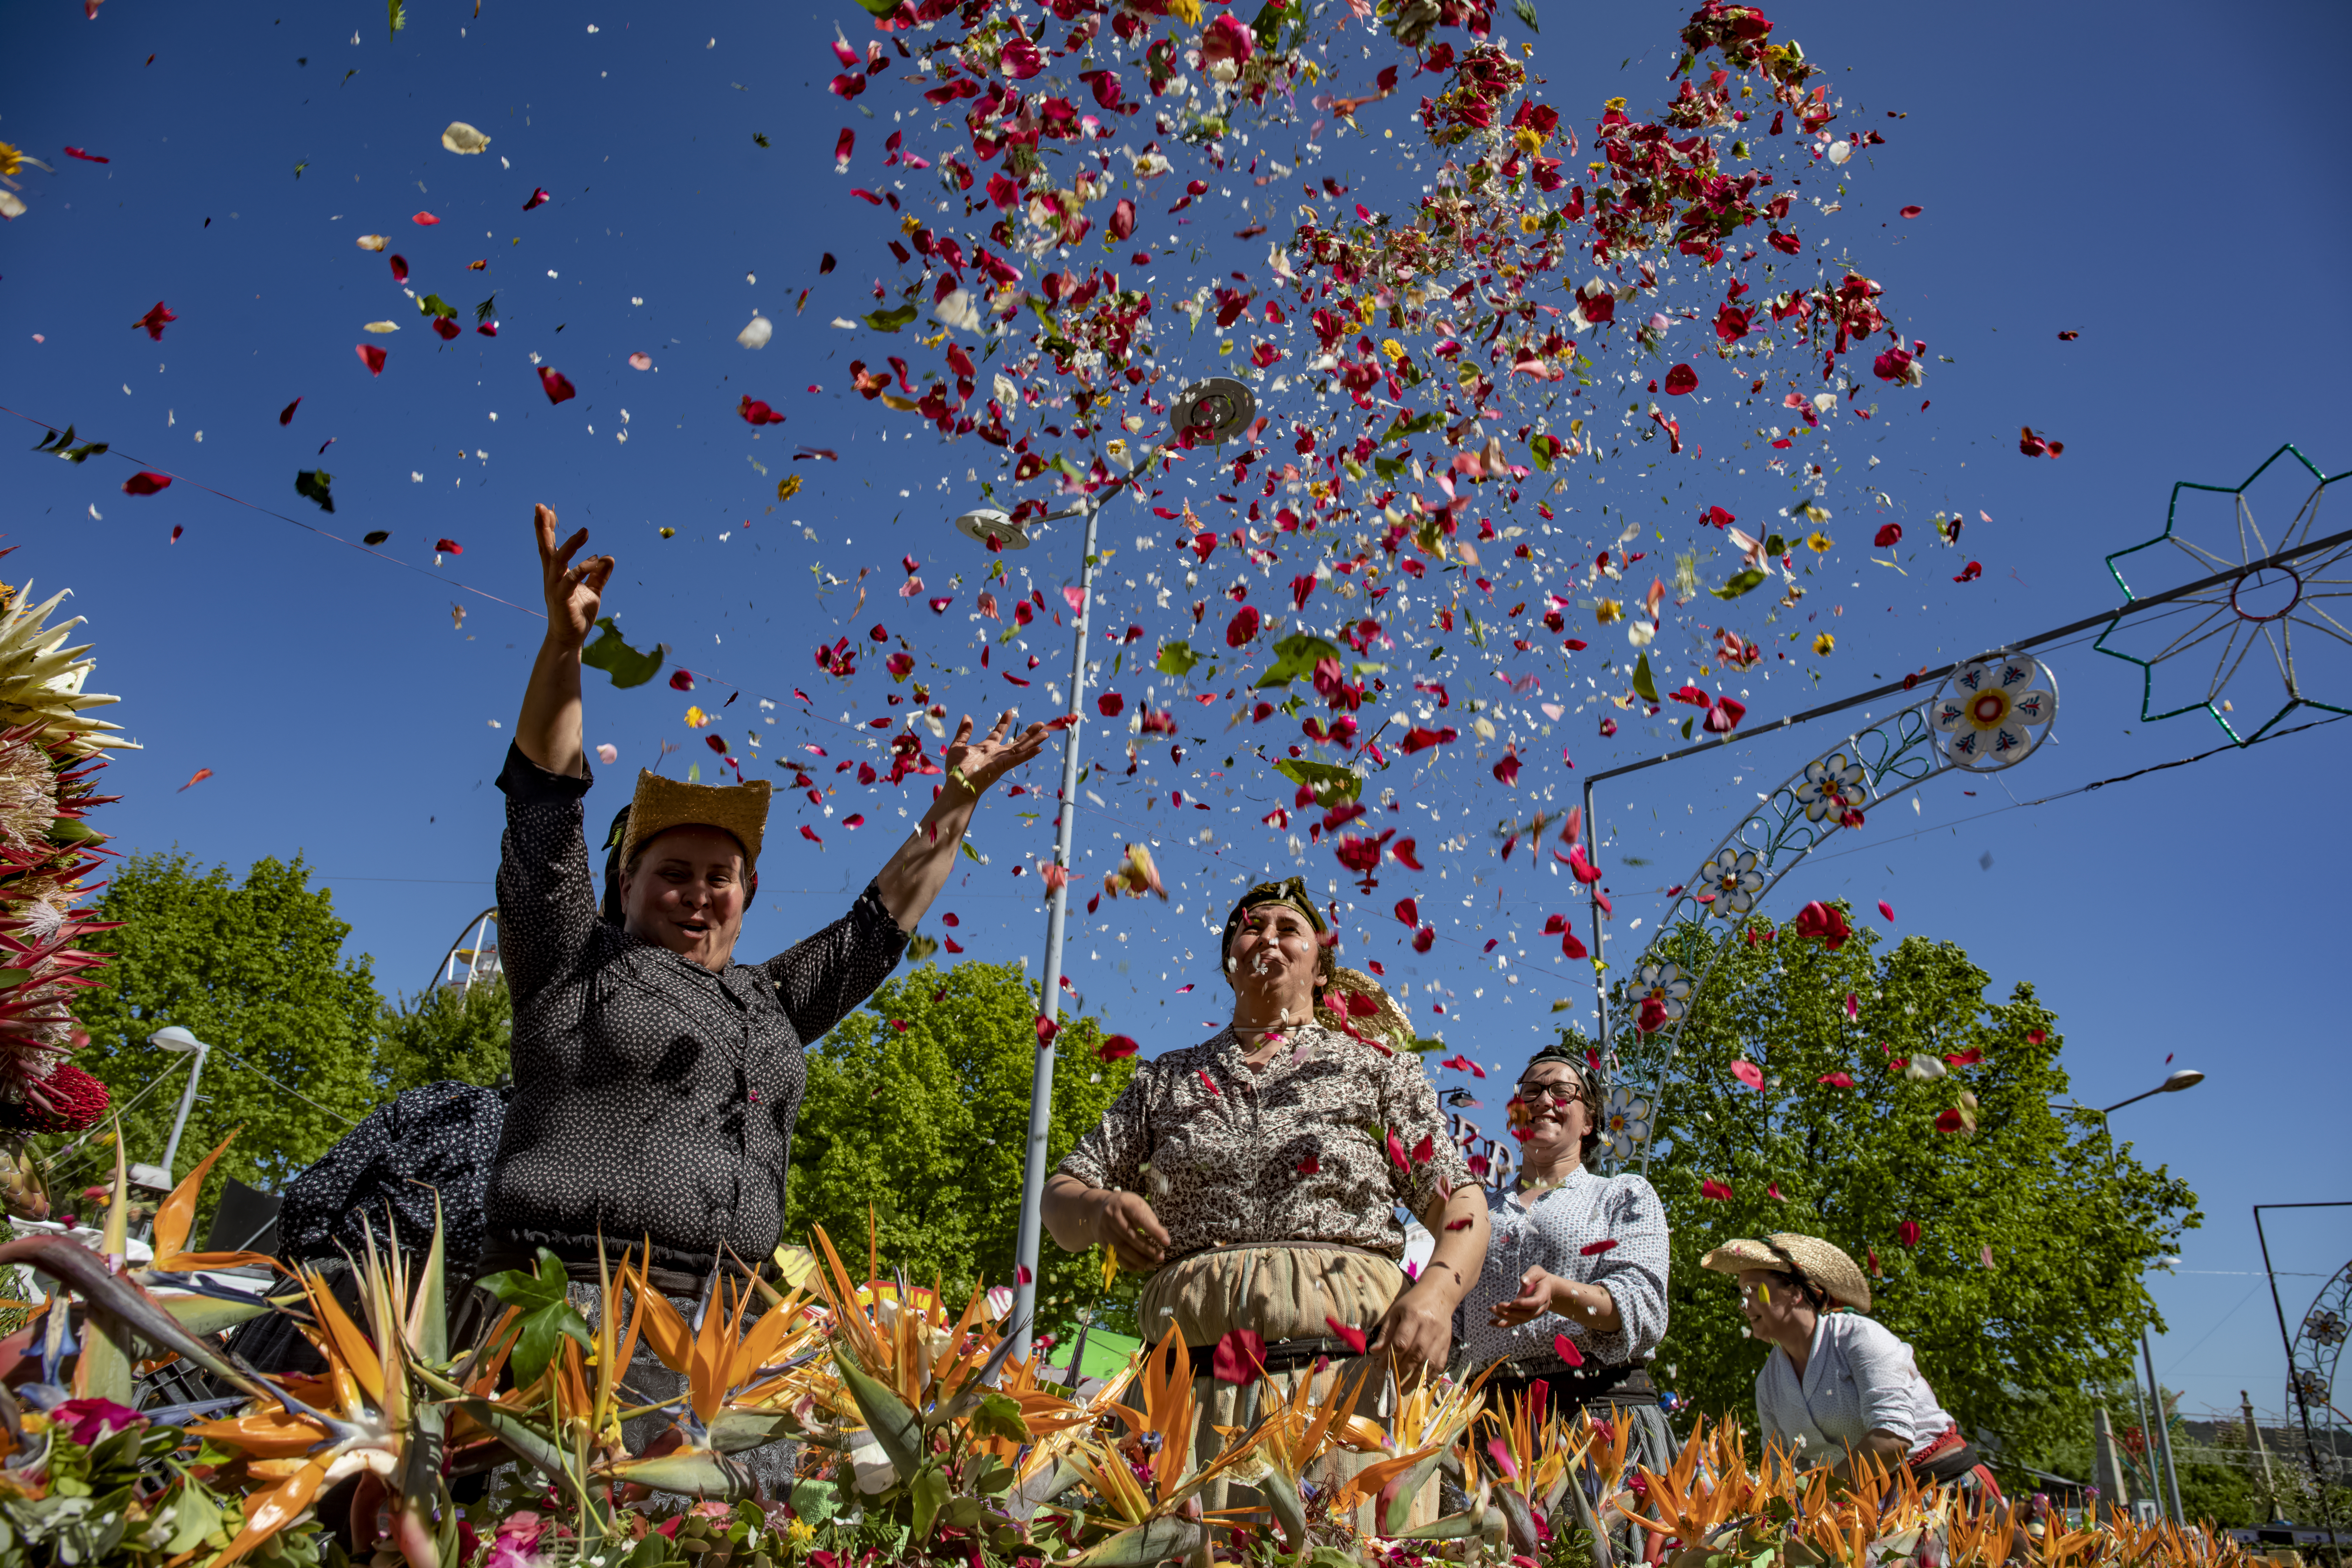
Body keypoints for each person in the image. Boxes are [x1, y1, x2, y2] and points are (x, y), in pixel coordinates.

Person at [487, 502, 1048, 1292]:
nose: (698, 894)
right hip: (571, 1297)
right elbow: (542, 808)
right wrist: (564, 647)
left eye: (721, 878)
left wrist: (957, 798)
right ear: (625, 882)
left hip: (725, 1323)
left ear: (747, 896)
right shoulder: (574, 961)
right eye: (673, 872)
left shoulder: (769, 1000)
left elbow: (878, 926)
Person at [1042, 877, 1490, 1510]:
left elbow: (1462, 1204)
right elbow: (1060, 1199)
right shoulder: (1165, 1079)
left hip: (1342, 1388)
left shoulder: (1376, 1067)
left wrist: (1438, 1297)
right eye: (1251, 927)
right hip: (1186, 1395)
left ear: (1321, 965)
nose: (1268, 937)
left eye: (1289, 929)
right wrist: (1098, 1208)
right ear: (1229, 960)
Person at [1451, 1044, 1674, 1471]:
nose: (1543, 1101)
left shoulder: (1621, 1194)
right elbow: (1453, 1325)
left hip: (1597, 1423)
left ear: (1590, 1121)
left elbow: (1643, 1308)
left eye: (1561, 1091)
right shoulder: (1476, 1209)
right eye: (1530, 1091)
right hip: (1492, 1434)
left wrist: (1560, 1294)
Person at [1701, 1233, 2001, 1494]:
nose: (1744, 1305)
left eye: (1755, 1290)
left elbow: (1892, 1438)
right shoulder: (1769, 1383)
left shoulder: (1859, 1338)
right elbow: (1781, 1470)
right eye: (1742, 1294)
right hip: (1864, 1507)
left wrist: (1819, 1495)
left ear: (1795, 1292)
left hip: (1942, 1488)